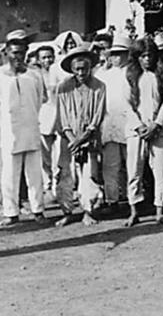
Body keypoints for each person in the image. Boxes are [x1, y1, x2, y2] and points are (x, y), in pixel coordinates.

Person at [123, 36, 163, 227]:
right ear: (136, 57)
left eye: (150, 55)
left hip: (157, 130)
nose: (147, 60)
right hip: (136, 131)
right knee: (134, 171)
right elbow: (126, 104)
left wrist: (156, 125)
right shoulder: (129, 76)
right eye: (143, 56)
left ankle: (160, 210)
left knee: (160, 170)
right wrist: (139, 126)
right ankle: (134, 210)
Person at [0, 30, 48, 227]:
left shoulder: (34, 75)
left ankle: (38, 210)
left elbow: (39, 100)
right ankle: (11, 212)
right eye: (14, 53)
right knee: (9, 175)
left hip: (30, 129)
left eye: (21, 52)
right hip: (8, 132)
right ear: (6, 53)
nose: (18, 57)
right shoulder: (0, 76)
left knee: (34, 173)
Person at [55, 46, 106, 227]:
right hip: (68, 139)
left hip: (89, 137)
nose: (81, 72)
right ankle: (67, 211)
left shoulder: (99, 87)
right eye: (77, 69)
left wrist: (82, 139)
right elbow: (62, 117)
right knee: (65, 174)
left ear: (90, 67)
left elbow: (97, 117)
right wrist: (72, 140)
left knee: (88, 175)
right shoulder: (63, 88)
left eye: (84, 68)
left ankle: (88, 211)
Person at [98, 34, 131, 214]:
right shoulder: (103, 76)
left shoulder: (133, 73)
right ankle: (112, 200)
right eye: (114, 54)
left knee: (131, 164)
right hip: (109, 125)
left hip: (128, 124)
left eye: (121, 54)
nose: (117, 58)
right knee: (110, 165)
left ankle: (131, 199)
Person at [36, 43, 60, 198]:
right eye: (44, 57)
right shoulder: (36, 75)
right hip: (43, 115)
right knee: (44, 153)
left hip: (58, 114)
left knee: (58, 154)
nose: (48, 60)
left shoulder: (59, 72)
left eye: (50, 57)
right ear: (38, 60)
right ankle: (47, 183)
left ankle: (58, 184)